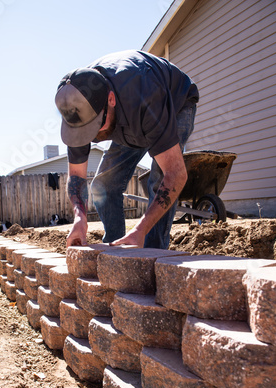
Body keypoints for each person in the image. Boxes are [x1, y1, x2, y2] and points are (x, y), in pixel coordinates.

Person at [55, 49, 199, 249]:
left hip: (176, 104)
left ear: (111, 100)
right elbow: (77, 176)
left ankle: (153, 255)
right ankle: (115, 246)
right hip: (127, 117)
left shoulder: (145, 95)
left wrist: (140, 230)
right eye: (84, 130)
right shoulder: (77, 107)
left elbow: (175, 174)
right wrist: (79, 218)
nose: (92, 137)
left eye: (95, 126)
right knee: (102, 186)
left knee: (159, 182)